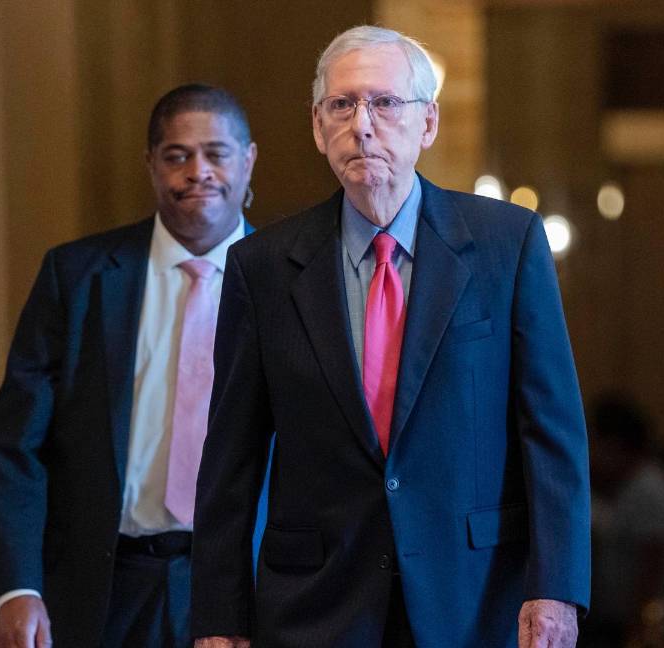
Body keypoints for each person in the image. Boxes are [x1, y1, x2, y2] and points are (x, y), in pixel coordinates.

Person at [190, 25, 590, 648]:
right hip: (315, 604)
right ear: (319, 127)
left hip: (475, 593)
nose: (363, 124)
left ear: (427, 124)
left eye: (384, 102)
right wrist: (219, 616)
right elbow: (230, 459)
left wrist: (557, 586)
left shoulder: (504, 244)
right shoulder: (262, 266)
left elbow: (552, 432)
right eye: (342, 105)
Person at [0, 84, 257, 647]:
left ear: (249, 160)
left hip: (241, 589)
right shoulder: (76, 276)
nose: (197, 171)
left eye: (216, 153)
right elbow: (18, 443)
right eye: (177, 156)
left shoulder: (292, 282)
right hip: (105, 588)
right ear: (151, 166)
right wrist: (18, 587)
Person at [581, 395, 664, 648]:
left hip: (652, 623)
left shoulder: (651, 488)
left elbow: (653, 560)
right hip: (611, 622)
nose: (588, 452)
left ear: (614, 444)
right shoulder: (604, 489)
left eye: (594, 442)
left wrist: (636, 624)